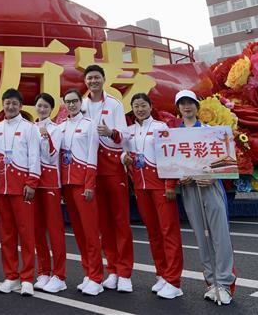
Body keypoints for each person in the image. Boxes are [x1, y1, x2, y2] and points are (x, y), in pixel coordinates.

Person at [175, 90, 237, 306]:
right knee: (201, 237)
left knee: (220, 235)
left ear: (196, 106)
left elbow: (227, 161)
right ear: (178, 108)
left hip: (210, 187)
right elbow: (171, 165)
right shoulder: (174, 135)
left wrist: (213, 176)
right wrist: (179, 178)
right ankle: (211, 283)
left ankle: (225, 283)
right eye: (182, 104)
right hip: (190, 189)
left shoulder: (212, 132)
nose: (186, 107)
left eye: (190, 103)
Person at [122, 93, 183, 299]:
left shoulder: (160, 127)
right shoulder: (129, 131)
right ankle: (162, 274)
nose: (139, 109)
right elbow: (123, 153)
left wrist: (170, 185)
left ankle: (174, 281)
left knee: (169, 232)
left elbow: (170, 156)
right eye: (136, 106)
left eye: (143, 105)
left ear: (150, 106)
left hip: (160, 186)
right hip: (140, 187)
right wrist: (125, 158)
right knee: (153, 232)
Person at [81, 65, 133, 292]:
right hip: (90, 169)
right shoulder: (80, 105)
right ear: (85, 81)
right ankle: (112, 269)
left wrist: (110, 132)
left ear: (103, 79)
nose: (93, 81)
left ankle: (125, 272)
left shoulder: (114, 104)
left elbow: (124, 137)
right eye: (89, 78)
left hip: (112, 166)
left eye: (97, 77)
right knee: (103, 222)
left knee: (120, 220)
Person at [0, 88, 41, 296]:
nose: (10, 107)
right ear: (2, 105)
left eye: (14, 103)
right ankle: (11, 276)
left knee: (26, 234)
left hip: (23, 187)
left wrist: (32, 182)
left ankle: (28, 277)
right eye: (7, 103)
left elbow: (34, 156)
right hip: (2, 188)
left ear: (21, 106)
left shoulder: (30, 128)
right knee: (6, 235)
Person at [58, 88, 104, 296]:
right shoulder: (61, 127)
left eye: (75, 101)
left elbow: (92, 157)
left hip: (83, 185)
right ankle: (88, 272)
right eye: (68, 102)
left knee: (90, 232)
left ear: (80, 103)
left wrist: (89, 185)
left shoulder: (89, 125)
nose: (71, 105)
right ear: (63, 104)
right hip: (67, 186)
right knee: (78, 232)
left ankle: (96, 277)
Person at [33, 92, 67, 294]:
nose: (42, 109)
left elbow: (51, 155)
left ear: (51, 109)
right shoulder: (30, 127)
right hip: (33, 183)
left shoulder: (56, 129)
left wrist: (45, 136)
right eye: (39, 105)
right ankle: (44, 271)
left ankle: (59, 275)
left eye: (46, 106)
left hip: (50, 183)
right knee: (37, 230)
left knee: (55, 231)